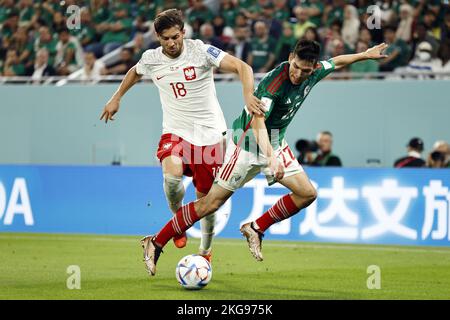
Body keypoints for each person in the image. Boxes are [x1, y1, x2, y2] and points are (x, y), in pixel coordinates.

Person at [141, 39, 388, 276]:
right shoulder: (274, 84)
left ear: (313, 68)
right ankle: (156, 242)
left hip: (276, 140)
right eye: (296, 67)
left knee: (307, 193)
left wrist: (365, 55)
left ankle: (255, 228)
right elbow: (258, 121)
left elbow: (337, 61)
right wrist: (271, 158)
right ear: (290, 58)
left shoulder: (312, 72)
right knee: (210, 203)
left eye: (305, 71)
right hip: (247, 142)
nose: (298, 74)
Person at [100, 9, 264, 262]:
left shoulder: (201, 51)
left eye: (176, 36)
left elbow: (242, 67)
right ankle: (179, 220)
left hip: (210, 136)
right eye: (165, 38)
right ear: (157, 37)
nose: (171, 43)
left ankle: (206, 251)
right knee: (172, 177)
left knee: (207, 202)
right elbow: (135, 71)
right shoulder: (151, 58)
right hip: (176, 131)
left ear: (183, 33)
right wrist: (116, 97)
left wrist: (247, 95)